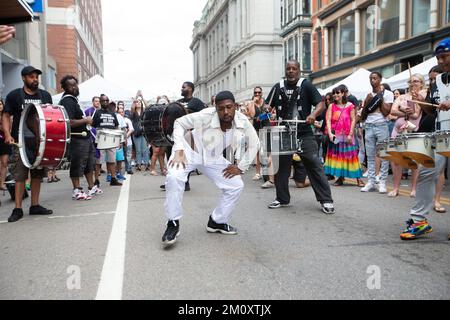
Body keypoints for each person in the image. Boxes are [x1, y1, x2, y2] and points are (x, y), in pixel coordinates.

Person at [161, 91, 259, 246]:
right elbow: (179, 123)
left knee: (236, 185)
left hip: (211, 157)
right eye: (221, 108)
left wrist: (241, 167)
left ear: (235, 106)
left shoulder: (242, 121)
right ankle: (172, 223)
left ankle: (217, 221)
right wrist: (179, 149)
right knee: (174, 177)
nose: (225, 112)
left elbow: (255, 143)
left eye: (229, 107)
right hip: (188, 151)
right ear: (215, 108)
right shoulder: (205, 115)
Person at [265, 60, 335, 214]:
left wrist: (313, 114)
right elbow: (267, 105)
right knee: (282, 168)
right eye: (288, 69)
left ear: (299, 71)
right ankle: (282, 198)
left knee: (314, 165)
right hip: (284, 132)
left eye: (294, 69)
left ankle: (326, 200)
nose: (291, 71)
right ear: (285, 70)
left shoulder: (306, 85)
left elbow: (321, 104)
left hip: (304, 132)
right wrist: (267, 110)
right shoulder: (278, 86)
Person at [400, 38, 450, 240]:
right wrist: (422, 102)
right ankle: (419, 221)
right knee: (426, 173)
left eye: (445, 56)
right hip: (440, 134)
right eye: (439, 57)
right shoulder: (437, 80)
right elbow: (432, 110)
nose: (442, 61)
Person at [2, 66, 53, 222]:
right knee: (20, 176)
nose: (35, 80)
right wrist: (8, 134)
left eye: (36, 77)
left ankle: (35, 205)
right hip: (20, 142)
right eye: (31, 77)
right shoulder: (14, 95)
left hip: (39, 142)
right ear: (23, 78)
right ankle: (17, 208)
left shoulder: (45, 95)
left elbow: (50, 115)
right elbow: (6, 115)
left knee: (37, 174)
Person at [59, 75, 103, 200]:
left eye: (75, 84)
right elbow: (69, 122)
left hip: (85, 137)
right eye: (70, 85)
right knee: (77, 164)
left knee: (90, 163)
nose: (74, 87)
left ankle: (91, 187)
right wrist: (86, 120)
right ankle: (77, 190)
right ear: (64, 88)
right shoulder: (67, 100)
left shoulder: (74, 100)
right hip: (77, 138)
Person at [387, 74, 425, 198]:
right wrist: (404, 111)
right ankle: (396, 188)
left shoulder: (422, 96)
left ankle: (413, 189)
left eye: (416, 81)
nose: (413, 83)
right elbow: (392, 111)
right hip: (397, 131)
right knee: (396, 160)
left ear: (421, 83)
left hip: (413, 131)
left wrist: (404, 111)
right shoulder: (402, 96)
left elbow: (415, 115)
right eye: (411, 81)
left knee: (414, 160)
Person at [360, 72, 394, 194]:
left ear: (380, 79)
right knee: (370, 155)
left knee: (383, 155)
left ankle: (383, 182)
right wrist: (368, 101)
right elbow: (363, 115)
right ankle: (371, 182)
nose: (372, 80)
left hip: (381, 125)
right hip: (369, 126)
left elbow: (386, 112)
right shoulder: (368, 95)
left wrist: (379, 98)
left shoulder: (388, 94)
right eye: (370, 78)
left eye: (374, 78)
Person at [324, 85, 364, 187]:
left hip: (347, 135)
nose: (335, 95)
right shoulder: (331, 106)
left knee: (352, 156)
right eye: (334, 93)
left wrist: (351, 134)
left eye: (337, 93)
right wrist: (330, 133)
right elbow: (328, 120)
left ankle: (358, 179)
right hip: (336, 136)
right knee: (338, 157)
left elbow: (353, 120)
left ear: (343, 94)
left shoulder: (350, 105)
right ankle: (340, 178)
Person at [92, 94, 122, 186]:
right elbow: (93, 125)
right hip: (100, 139)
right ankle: (96, 180)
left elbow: (116, 126)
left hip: (111, 139)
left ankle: (113, 179)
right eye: (103, 101)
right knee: (98, 161)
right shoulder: (97, 112)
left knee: (112, 160)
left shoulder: (112, 113)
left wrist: (119, 140)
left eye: (106, 101)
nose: (105, 102)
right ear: (100, 102)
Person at [84, 96, 102, 186]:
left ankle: (97, 178)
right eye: (96, 101)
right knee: (91, 160)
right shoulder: (87, 111)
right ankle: (91, 180)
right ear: (92, 102)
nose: (97, 103)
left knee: (98, 159)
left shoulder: (101, 112)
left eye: (99, 101)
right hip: (90, 137)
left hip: (98, 137)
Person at [130, 99, 149, 171]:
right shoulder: (133, 112)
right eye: (136, 102)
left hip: (144, 133)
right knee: (138, 150)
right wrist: (136, 98)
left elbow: (148, 107)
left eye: (139, 102)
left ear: (141, 103)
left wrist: (142, 97)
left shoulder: (144, 111)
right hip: (136, 133)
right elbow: (132, 107)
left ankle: (147, 164)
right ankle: (138, 164)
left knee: (145, 149)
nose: (137, 103)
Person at [0, 99, 11, 192]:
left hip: (4, 141)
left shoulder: (7, 117)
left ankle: (2, 183)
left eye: (0, 104)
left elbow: (8, 130)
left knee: (4, 163)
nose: (0, 106)